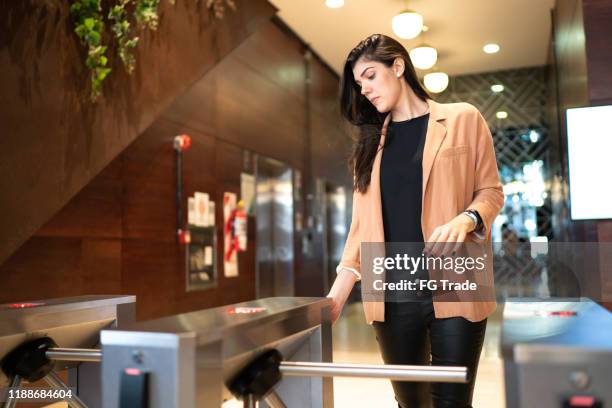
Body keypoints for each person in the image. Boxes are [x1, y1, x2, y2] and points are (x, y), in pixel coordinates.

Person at [326, 34, 504, 408]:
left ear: (399, 66)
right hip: (392, 294)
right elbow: (361, 227)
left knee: (453, 403)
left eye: (371, 76)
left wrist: (468, 218)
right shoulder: (369, 146)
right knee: (411, 403)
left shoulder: (463, 118)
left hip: (457, 282)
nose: (366, 90)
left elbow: (490, 192)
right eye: (360, 85)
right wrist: (337, 293)